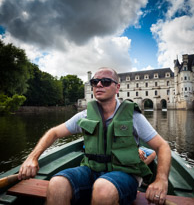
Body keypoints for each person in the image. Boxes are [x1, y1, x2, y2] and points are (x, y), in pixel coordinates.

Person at [18, 67, 171, 205]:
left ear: (117, 88)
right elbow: (54, 132)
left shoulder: (133, 116)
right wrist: (33, 157)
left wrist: (161, 180)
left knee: (103, 188)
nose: (98, 85)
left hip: (125, 173)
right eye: (95, 81)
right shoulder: (84, 115)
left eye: (105, 81)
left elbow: (162, 146)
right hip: (91, 170)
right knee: (57, 183)